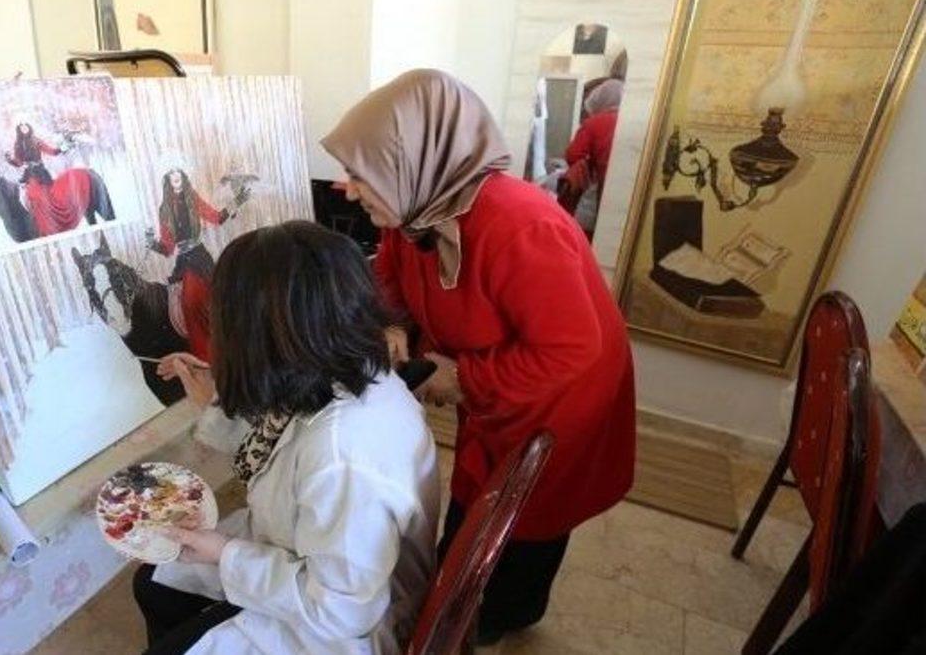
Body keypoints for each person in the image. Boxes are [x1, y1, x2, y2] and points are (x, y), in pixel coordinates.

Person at [322, 69, 635, 645]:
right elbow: (391, 280)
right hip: (498, 386)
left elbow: (571, 349)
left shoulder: (521, 224)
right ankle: (462, 603)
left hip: (561, 396)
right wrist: (393, 326)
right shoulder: (415, 208)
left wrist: (463, 377)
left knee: (526, 516)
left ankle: (492, 617)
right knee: (475, 502)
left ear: (412, 161)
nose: (349, 188)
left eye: (361, 174)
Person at [133, 221, 439, 654]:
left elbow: (341, 611)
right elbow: (282, 445)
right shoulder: (350, 371)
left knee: (168, 597)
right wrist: (223, 392)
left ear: (261, 336)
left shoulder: (342, 450)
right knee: (153, 582)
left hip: (340, 627)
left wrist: (224, 554)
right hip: (312, 559)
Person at [146, 169, 236, 361]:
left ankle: (224, 345)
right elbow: (168, 248)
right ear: (168, 181)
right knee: (186, 304)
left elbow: (216, 218)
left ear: (184, 178)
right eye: (172, 177)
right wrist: (151, 243)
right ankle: (203, 356)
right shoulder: (164, 209)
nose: (176, 180)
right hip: (183, 262)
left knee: (212, 298)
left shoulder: (193, 199)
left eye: (179, 176)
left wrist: (235, 203)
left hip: (200, 258)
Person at [564, 78, 624, 235]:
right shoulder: (634, 122)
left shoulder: (594, 123)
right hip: (624, 193)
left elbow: (573, 155)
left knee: (583, 233)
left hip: (597, 191)